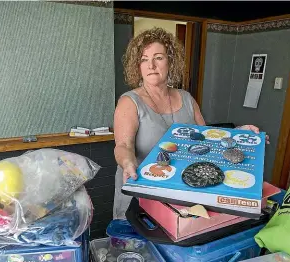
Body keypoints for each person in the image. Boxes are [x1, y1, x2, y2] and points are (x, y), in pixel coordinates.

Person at [113, 27, 268, 219]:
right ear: (137, 65)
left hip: (179, 193)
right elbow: (122, 146)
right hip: (141, 193)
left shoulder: (186, 98)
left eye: (158, 58)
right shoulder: (129, 102)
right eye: (144, 59)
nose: (151, 65)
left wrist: (237, 133)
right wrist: (127, 162)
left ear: (170, 61)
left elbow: (206, 139)